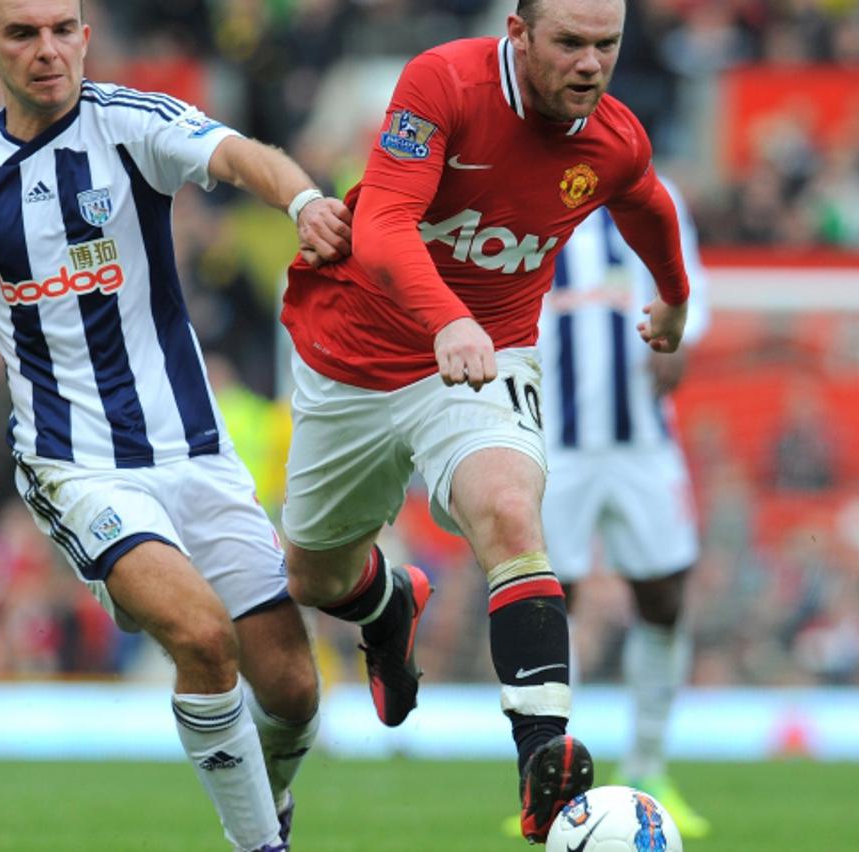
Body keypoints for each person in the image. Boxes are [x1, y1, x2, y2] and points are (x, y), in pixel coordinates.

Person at [0, 2, 352, 849]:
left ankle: (266, 803)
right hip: (76, 465)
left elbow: (235, 154)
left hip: (196, 451)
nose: (47, 49)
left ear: (84, 34)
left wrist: (301, 198)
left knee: (295, 691)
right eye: (22, 33)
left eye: (61, 28)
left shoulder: (131, 124)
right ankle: (261, 843)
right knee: (200, 635)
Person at [277, 0, 691, 842]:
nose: (590, 63)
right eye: (569, 43)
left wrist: (675, 298)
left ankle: (542, 761)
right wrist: (444, 316)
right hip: (355, 352)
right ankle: (387, 604)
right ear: (518, 33)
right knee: (313, 579)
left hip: (488, 355)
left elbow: (645, 202)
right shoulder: (445, 83)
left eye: (605, 45)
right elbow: (385, 226)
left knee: (509, 510)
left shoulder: (612, 138)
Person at [533, 180, 711, 837]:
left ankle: (649, 763)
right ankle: (549, 780)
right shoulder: (531, 195)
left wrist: (682, 341)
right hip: (556, 443)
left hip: (642, 441)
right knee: (550, 604)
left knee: (663, 595)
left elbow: (690, 297)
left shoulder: (656, 201)